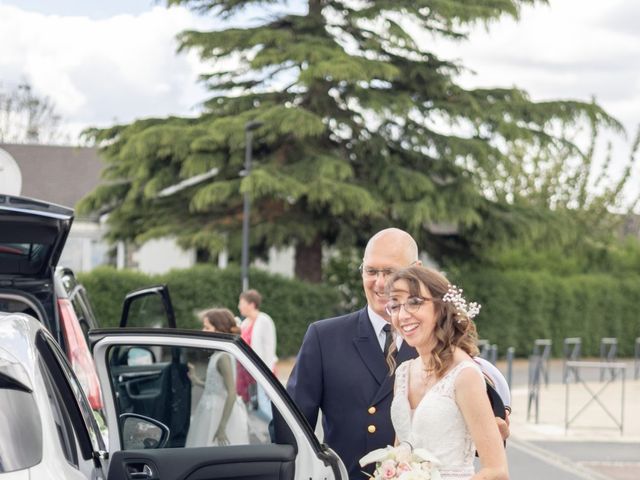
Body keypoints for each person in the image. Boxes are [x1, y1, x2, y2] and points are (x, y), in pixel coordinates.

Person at [286, 228, 509, 479]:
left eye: (390, 272)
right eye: (371, 271)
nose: (380, 283)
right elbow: (290, 430)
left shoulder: (460, 365)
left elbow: (481, 448)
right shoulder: (324, 338)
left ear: (417, 270)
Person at [385, 266, 508, 479]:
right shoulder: (404, 373)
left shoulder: (464, 375)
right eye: (395, 305)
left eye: (414, 302)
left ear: (441, 307)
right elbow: (402, 450)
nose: (402, 315)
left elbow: (497, 472)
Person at [185, 308, 249, 447]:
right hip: (210, 408)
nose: (203, 330)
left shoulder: (223, 357)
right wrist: (197, 380)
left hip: (218, 413)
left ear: (219, 330)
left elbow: (231, 393)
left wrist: (221, 427)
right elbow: (216, 387)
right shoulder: (217, 354)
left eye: (207, 327)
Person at [237, 289, 277, 421]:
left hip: (262, 370)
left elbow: (270, 348)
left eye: (241, 303)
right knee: (255, 406)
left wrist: (267, 374)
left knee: (264, 406)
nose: (239, 306)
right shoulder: (245, 323)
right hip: (249, 372)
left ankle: (277, 430)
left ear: (252, 304)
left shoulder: (264, 320)